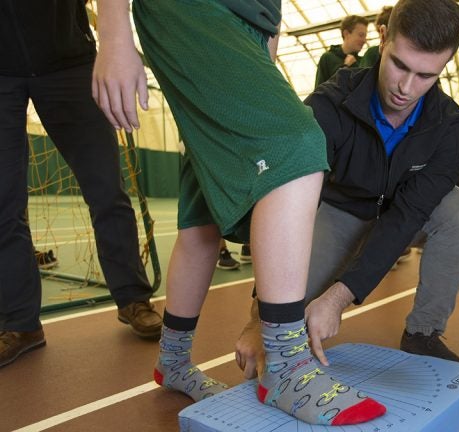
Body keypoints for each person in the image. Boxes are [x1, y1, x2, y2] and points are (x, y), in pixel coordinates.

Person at [93, 0, 385, 426]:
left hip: (251, 30)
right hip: (195, 11)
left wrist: (267, 38)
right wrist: (114, 28)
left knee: (204, 207)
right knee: (298, 143)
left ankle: (172, 360)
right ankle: (285, 366)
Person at [299, 0, 459, 364]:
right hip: (341, 209)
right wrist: (260, 316)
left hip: (403, 210)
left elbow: (408, 215)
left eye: (426, 76)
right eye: (400, 65)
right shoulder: (327, 106)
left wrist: (339, 297)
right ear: (383, 38)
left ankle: (423, 334)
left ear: (444, 64)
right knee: (284, 316)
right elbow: (289, 202)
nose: (406, 88)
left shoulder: (453, 129)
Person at [0, 0, 163, 370]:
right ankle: (20, 325)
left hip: (68, 61)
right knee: (3, 205)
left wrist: (113, 42)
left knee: (106, 189)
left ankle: (133, 299)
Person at [314, 15, 369, 88]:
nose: (364, 40)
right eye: (361, 35)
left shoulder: (362, 62)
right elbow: (319, 88)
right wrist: (345, 67)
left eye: (365, 36)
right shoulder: (328, 58)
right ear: (346, 34)